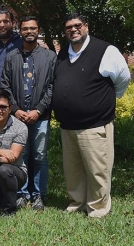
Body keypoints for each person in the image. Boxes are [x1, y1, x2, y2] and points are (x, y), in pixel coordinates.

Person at [51, 13, 130, 218]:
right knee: (73, 170)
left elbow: (122, 77)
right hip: (68, 125)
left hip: (94, 124)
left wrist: (112, 96)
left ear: (86, 26)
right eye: (69, 27)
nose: (73, 29)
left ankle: (98, 208)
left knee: (98, 169)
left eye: (78, 25)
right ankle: (77, 202)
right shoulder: (63, 54)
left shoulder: (105, 50)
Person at [0, 16, 56, 211]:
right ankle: (22, 193)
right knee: (19, 156)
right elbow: (5, 85)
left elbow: (52, 86)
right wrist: (16, 110)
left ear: (38, 30)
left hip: (41, 117)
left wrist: (38, 110)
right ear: (20, 30)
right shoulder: (12, 56)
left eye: (33, 28)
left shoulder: (49, 57)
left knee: (40, 156)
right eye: (25, 29)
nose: (29, 32)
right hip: (17, 118)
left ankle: (38, 194)